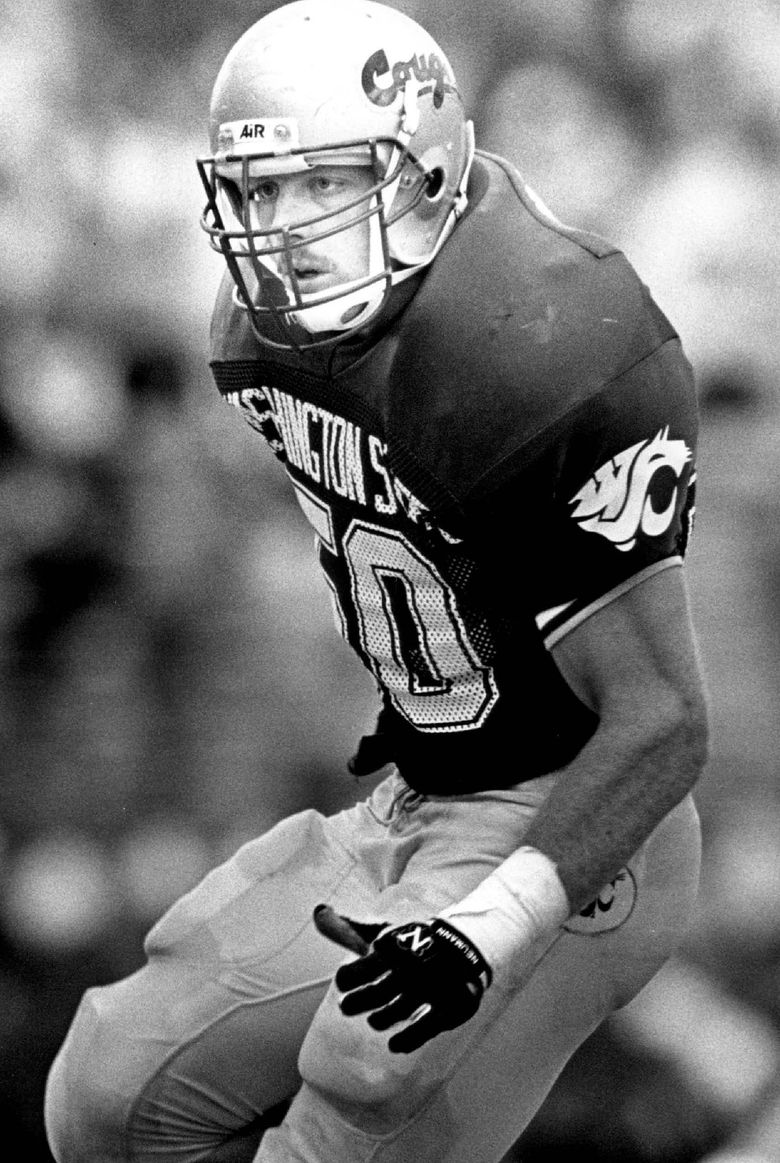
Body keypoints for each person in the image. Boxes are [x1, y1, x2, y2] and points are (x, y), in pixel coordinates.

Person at [44, 2, 709, 1160]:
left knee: (354, 1093)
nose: (283, 230)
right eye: (256, 193)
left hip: (579, 827)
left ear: (430, 168)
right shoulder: (258, 332)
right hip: (417, 790)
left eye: (323, 184)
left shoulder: (549, 346)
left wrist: (490, 928)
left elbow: (663, 722)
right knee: (104, 1093)